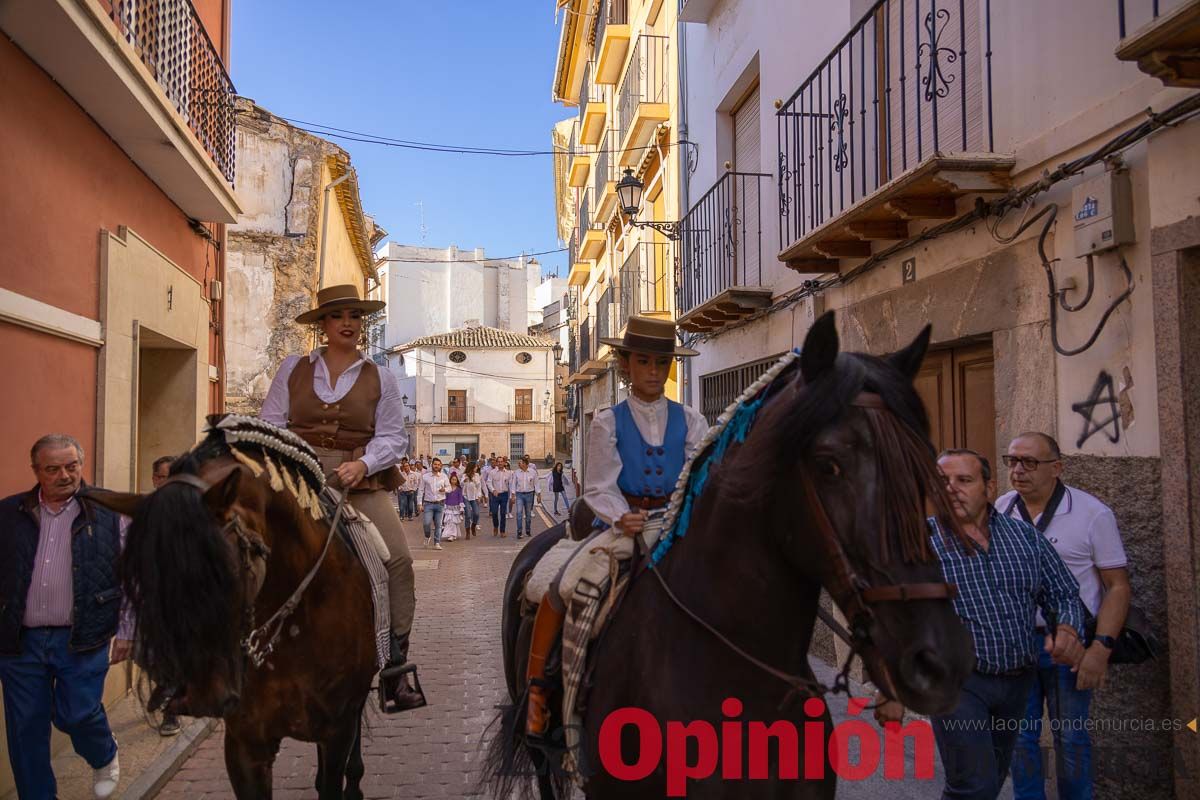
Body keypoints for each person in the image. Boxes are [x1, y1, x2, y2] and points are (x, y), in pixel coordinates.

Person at [524, 316, 706, 737]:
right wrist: (619, 515)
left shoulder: (692, 420)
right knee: (567, 583)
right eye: (644, 362)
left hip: (675, 523)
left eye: (662, 363)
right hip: (625, 525)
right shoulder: (608, 421)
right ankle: (538, 690)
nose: (653, 372)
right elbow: (599, 486)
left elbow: (698, 476)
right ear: (626, 364)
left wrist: (684, 510)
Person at [875, 449, 1086, 800]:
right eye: (942, 482)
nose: (952, 489)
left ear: (988, 488)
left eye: (964, 480)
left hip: (1017, 683)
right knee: (971, 786)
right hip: (956, 684)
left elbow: (1064, 592)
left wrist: (1066, 629)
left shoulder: (1026, 539)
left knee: (990, 782)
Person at [260, 283, 424, 711]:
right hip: (298, 476)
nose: (348, 323)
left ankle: (394, 666)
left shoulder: (380, 376)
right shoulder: (292, 369)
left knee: (399, 561)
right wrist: (295, 464)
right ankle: (247, 652)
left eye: (355, 316)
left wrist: (363, 465)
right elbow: (272, 424)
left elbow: (393, 437)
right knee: (250, 548)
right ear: (323, 325)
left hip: (358, 479)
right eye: (339, 316)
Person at [0, 434, 133, 799]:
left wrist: (127, 629)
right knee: (25, 730)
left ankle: (104, 753)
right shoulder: (8, 513)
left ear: (81, 464)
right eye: (53, 468)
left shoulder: (109, 511)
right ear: (36, 471)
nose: (64, 475)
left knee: (77, 714)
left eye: (72, 466)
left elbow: (132, 574)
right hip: (19, 641)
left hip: (83, 635)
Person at [999, 433, 1131, 800]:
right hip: (1017, 646)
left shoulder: (1093, 513)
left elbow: (1117, 587)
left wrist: (1100, 650)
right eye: (1012, 461)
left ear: (1057, 468)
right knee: (1020, 739)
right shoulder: (1003, 508)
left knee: (1072, 738)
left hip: (1071, 644)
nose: (1018, 470)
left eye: (1029, 462)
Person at [147, 456, 184, 738]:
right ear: (155, 480)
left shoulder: (194, 511)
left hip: (183, 597)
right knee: (146, 652)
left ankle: (172, 712)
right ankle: (164, 685)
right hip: (150, 597)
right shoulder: (143, 510)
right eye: (165, 477)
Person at [420, 458, 451, 550]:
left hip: (440, 503)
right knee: (426, 523)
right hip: (428, 504)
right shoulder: (425, 476)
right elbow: (421, 490)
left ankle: (437, 542)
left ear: (440, 466)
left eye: (438, 464)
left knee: (438, 524)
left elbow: (449, 487)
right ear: (432, 465)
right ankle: (427, 536)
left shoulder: (444, 476)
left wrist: (444, 490)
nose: (436, 466)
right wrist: (419, 503)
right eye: (435, 464)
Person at [511, 457, 539, 540]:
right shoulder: (516, 472)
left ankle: (528, 530)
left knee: (528, 514)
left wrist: (539, 495)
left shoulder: (533, 472)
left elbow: (536, 484)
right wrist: (513, 495)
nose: (519, 464)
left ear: (526, 464)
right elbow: (513, 484)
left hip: (529, 494)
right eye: (519, 463)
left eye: (521, 463)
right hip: (519, 494)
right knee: (519, 513)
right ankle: (519, 532)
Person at [488, 458, 513, 537]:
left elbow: (511, 485)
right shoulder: (492, 472)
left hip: (504, 495)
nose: (500, 463)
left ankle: (502, 531)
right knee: (494, 512)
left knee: (503, 513)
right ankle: (495, 526)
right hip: (495, 495)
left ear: (504, 463)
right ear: (496, 463)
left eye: (501, 462)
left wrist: (512, 495)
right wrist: (493, 490)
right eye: (498, 462)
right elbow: (488, 482)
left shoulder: (508, 473)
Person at [461, 463, 484, 539]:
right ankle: (467, 531)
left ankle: (473, 526)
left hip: (474, 497)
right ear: (471, 468)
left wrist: (479, 496)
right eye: (475, 467)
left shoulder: (477, 475)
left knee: (476, 513)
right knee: (467, 514)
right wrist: (464, 480)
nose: (476, 468)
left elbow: (479, 487)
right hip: (465, 497)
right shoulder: (465, 475)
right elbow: (461, 484)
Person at [442, 474, 464, 542]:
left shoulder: (459, 489)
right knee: (449, 521)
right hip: (448, 506)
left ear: (457, 480)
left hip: (456, 507)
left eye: (455, 479)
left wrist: (461, 506)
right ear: (450, 480)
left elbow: (460, 497)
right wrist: (444, 504)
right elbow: (445, 497)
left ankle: (453, 535)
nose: (453, 481)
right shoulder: (448, 488)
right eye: (452, 479)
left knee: (454, 522)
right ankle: (451, 535)